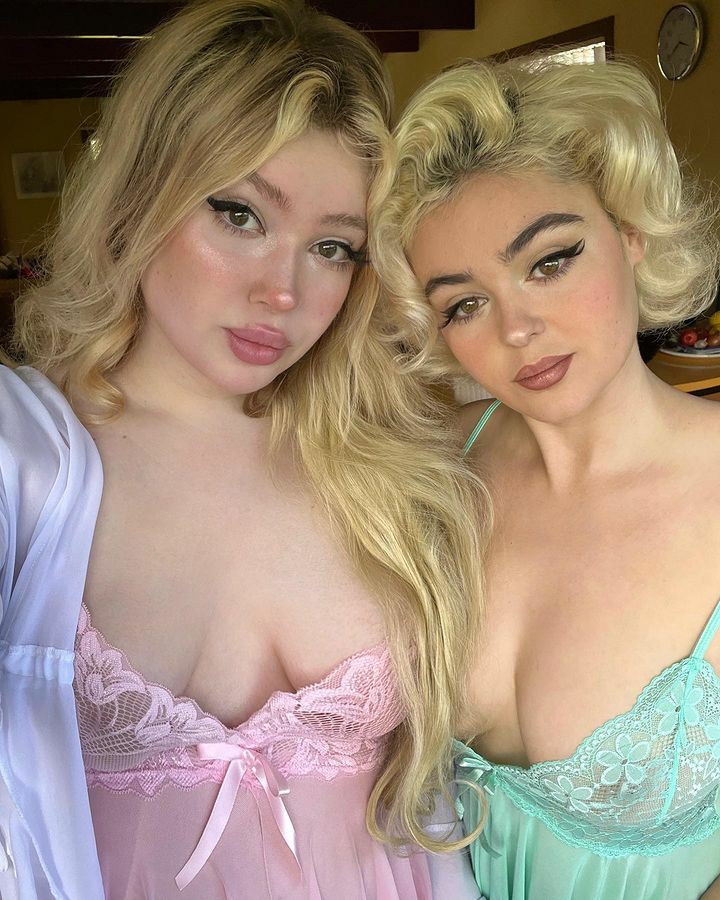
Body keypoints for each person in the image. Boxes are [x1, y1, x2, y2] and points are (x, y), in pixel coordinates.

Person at [0, 2, 486, 897]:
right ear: (141, 194)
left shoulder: (389, 457)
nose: (283, 291)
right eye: (240, 214)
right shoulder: (23, 460)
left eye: (332, 247)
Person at [373, 56, 720, 899]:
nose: (518, 329)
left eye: (550, 260)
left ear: (630, 234)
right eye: (464, 303)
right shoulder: (432, 472)